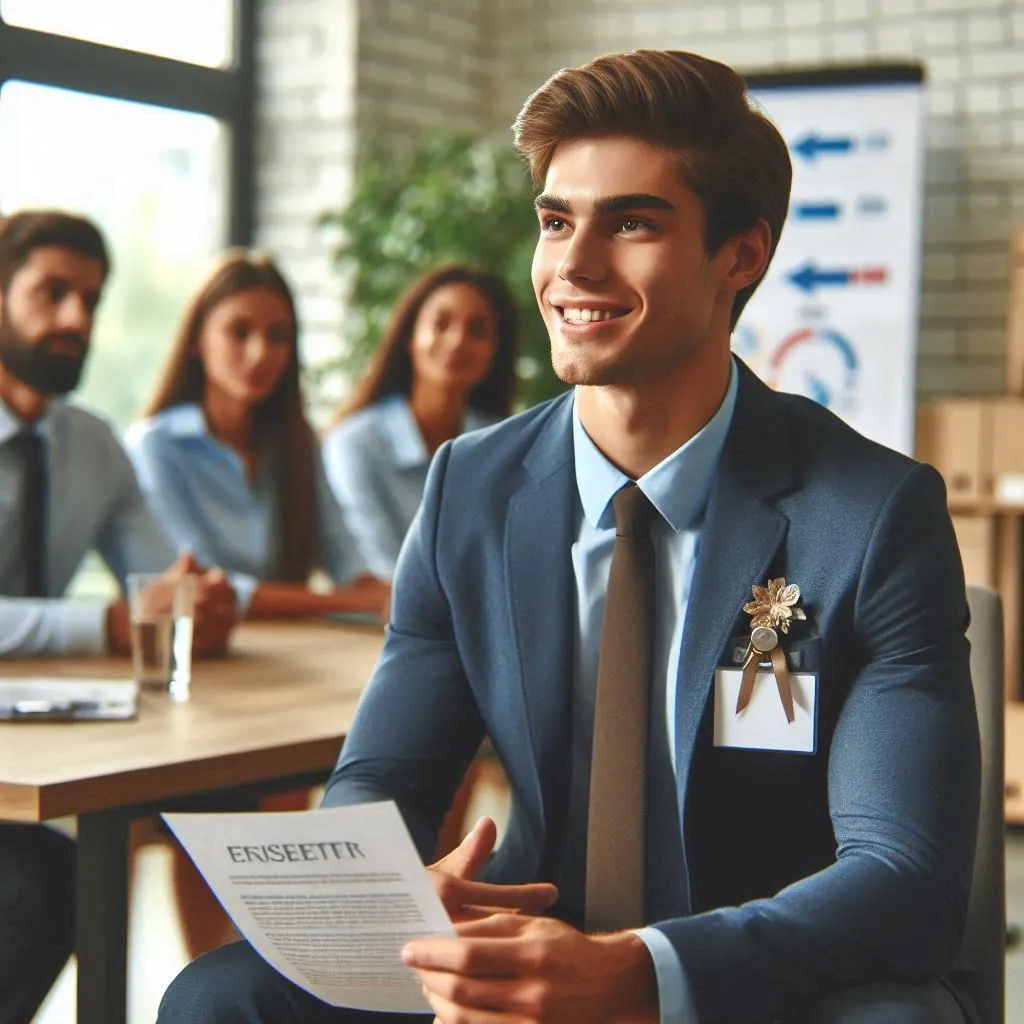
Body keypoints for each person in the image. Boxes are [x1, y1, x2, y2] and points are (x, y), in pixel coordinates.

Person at [158, 50, 981, 1024]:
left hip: (757, 978)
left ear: (742, 254)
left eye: (631, 222)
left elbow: (903, 875)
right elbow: (384, 774)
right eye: (555, 222)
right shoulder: (470, 485)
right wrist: (394, 892)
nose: (572, 267)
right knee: (218, 998)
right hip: (525, 936)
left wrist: (642, 970)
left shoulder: (871, 514)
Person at [0, 209, 235, 1024]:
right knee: (41, 884)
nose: (76, 319)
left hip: (35, 747)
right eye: (52, 293)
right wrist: (104, 626)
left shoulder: (91, 443)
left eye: (91, 300)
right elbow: (121, 618)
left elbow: (158, 579)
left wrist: (198, 601)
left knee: (59, 878)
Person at [127, 251, 389, 619]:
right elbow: (200, 584)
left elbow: (347, 558)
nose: (259, 353)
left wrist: (396, 597)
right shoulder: (155, 446)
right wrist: (350, 602)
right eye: (239, 331)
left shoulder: (298, 443)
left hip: (293, 651)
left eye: (277, 336)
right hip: (195, 651)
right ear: (197, 340)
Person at [321, 264, 519, 580]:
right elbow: (376, 569)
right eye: (441, 323)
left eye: (478, 330)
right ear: (410, 337)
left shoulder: (508, 445)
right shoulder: (354, 444)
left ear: (496, 352)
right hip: (377, 624)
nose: (457, 341)